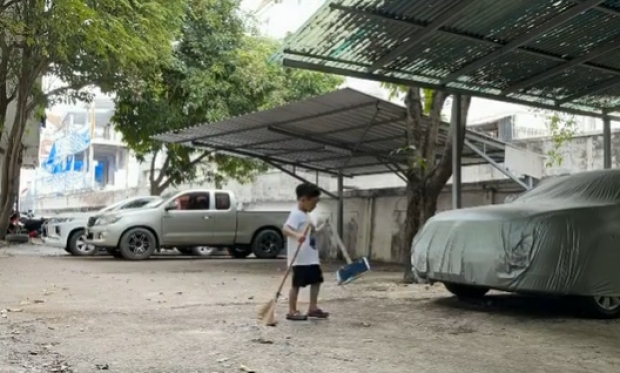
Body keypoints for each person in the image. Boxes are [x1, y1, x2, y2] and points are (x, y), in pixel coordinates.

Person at [282, 182, 330, 321]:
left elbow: (310, 232)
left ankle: (313, 308)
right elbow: (285, 229)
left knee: (316, 280)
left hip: (311, 256)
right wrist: (297, 236)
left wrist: (321, 227)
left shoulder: (306, 214)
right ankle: (292, 311)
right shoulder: (296, 214)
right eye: (313, 202)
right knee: (297, 284)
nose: (315, 206)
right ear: (304, 199)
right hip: (300, 258)